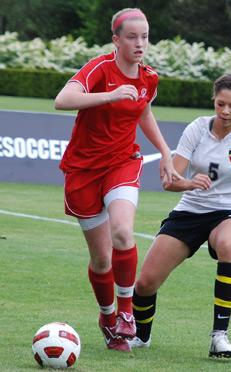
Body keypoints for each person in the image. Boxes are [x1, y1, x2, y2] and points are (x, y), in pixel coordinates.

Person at [55, 8, 180, 352]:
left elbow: (144, 112)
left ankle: (126, 311)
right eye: (132, 37)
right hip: (82, 171)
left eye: (145, 37)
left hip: (123, 163)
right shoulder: (99, 69)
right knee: (101, 260)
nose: (140, 43)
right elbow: (62, 100)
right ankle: (107, 316)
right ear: (116, 40)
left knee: (123, 232)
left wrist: (166, 152)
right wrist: (109, 95)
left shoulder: (148, 78)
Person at [130, 74, 231, 358]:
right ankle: (140, 336)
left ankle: (220, 336)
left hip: (228, 212)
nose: (225, 112)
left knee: (229, 246)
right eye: (220, 104)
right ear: (213, 101)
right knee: (145, 283)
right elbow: (171, 181)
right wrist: (189, 183)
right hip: (189, 211)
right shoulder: (196, 128)